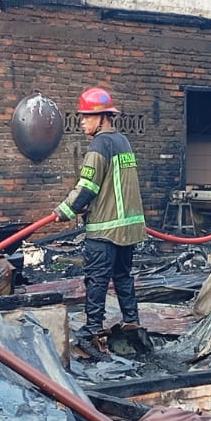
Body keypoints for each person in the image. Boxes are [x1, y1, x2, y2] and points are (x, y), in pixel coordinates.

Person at [55, 87, 146, 352]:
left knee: (96, 280)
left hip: (104, 231)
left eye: (86, 116)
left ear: (103, 117)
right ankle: (132, 323)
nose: (82, 121)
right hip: (127, 230)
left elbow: (87, 187)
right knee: (123, 278)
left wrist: (65, 210)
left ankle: (93, 331)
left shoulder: (99, 145)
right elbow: (112, 185)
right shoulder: (123, 142)